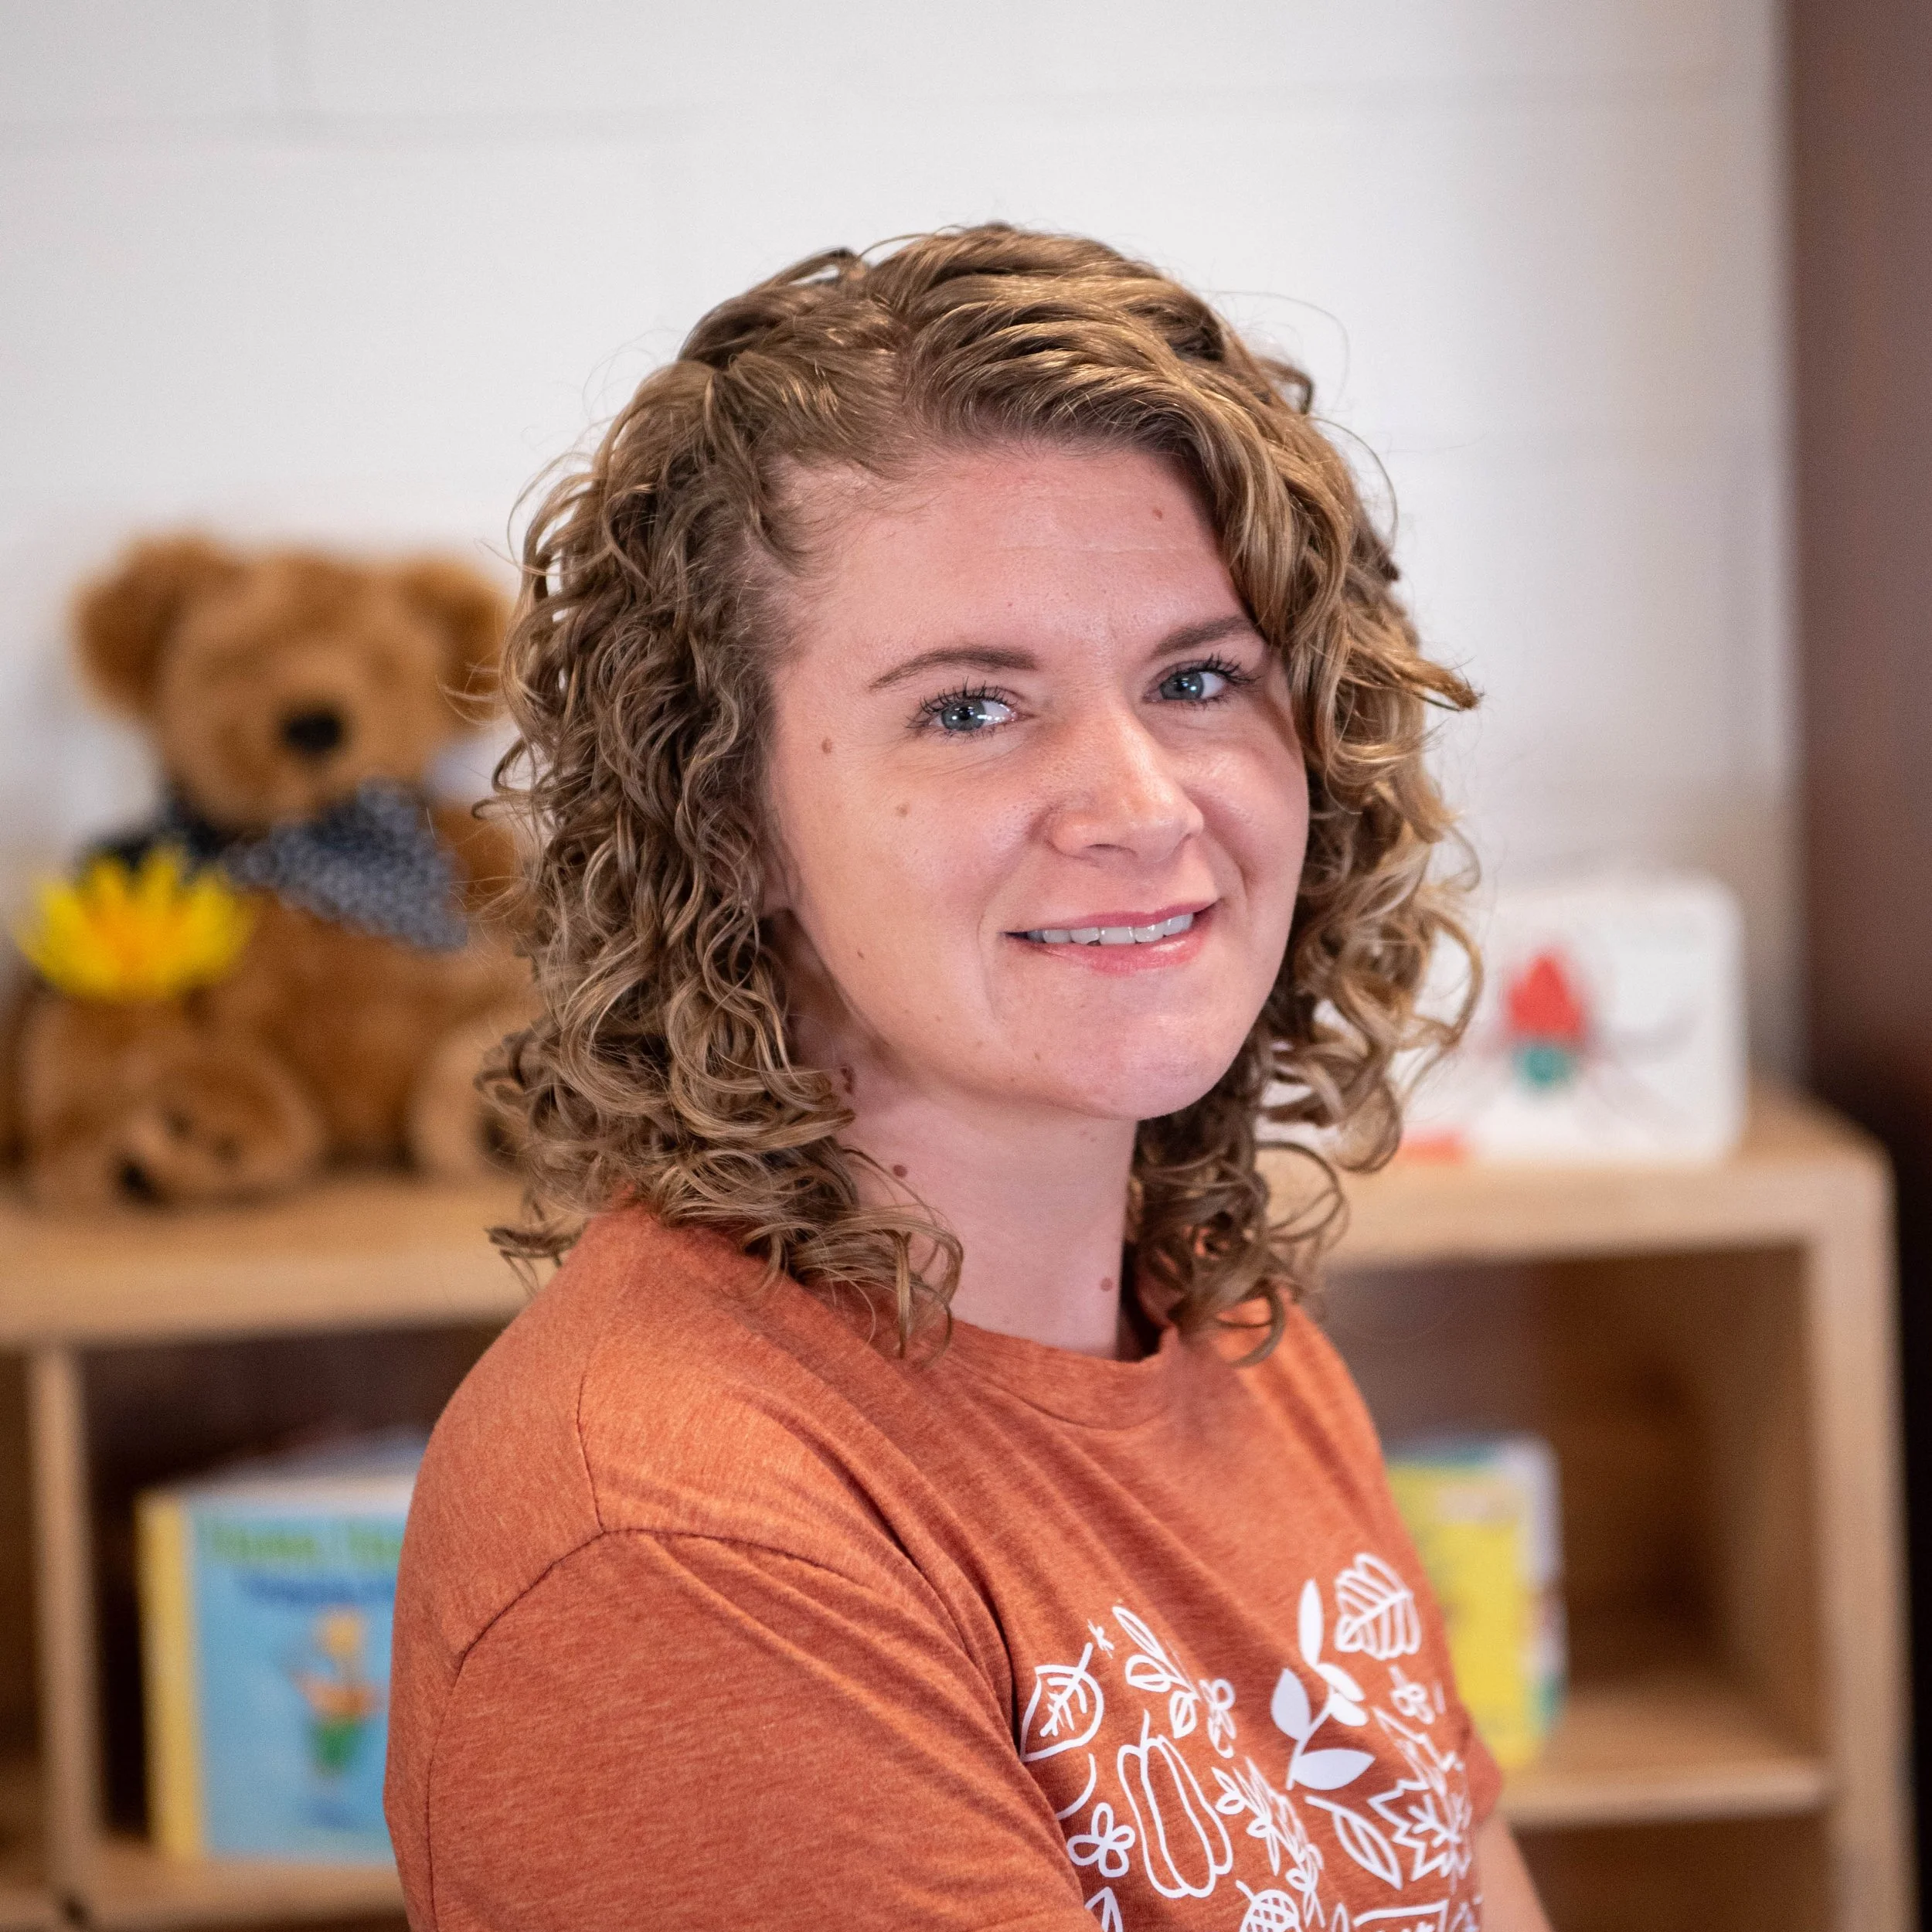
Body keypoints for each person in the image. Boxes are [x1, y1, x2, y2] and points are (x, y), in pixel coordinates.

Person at [385, 226, 1551, 1930]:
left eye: (1197, 675)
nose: (1143, 801)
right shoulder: (679, 1541)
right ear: (726, 817)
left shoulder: (1217, 1328)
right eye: (969, 710)